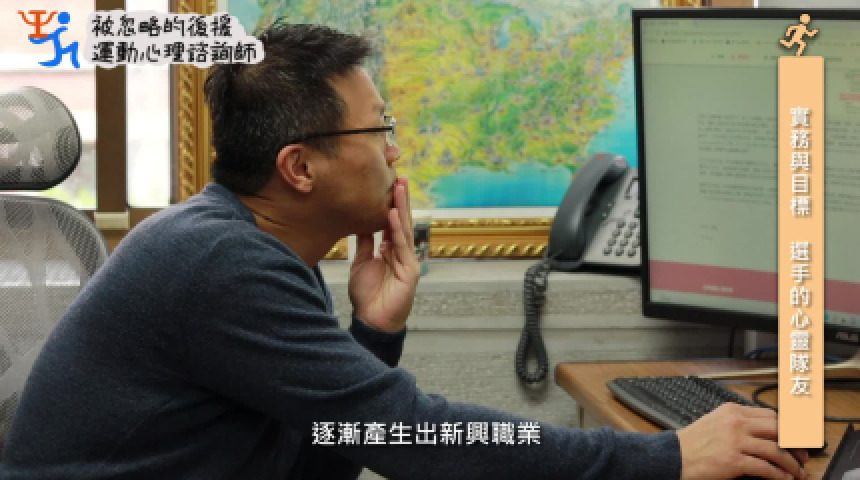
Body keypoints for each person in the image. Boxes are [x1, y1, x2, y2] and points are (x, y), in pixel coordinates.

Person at [1, 21, 808, 480]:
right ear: (299, 168)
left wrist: (375, 330)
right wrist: (667, 458)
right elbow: (411, 436)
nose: (395, 150)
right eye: (380, 128)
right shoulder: (222, 265)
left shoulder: (247, 246)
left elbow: (336, 450)